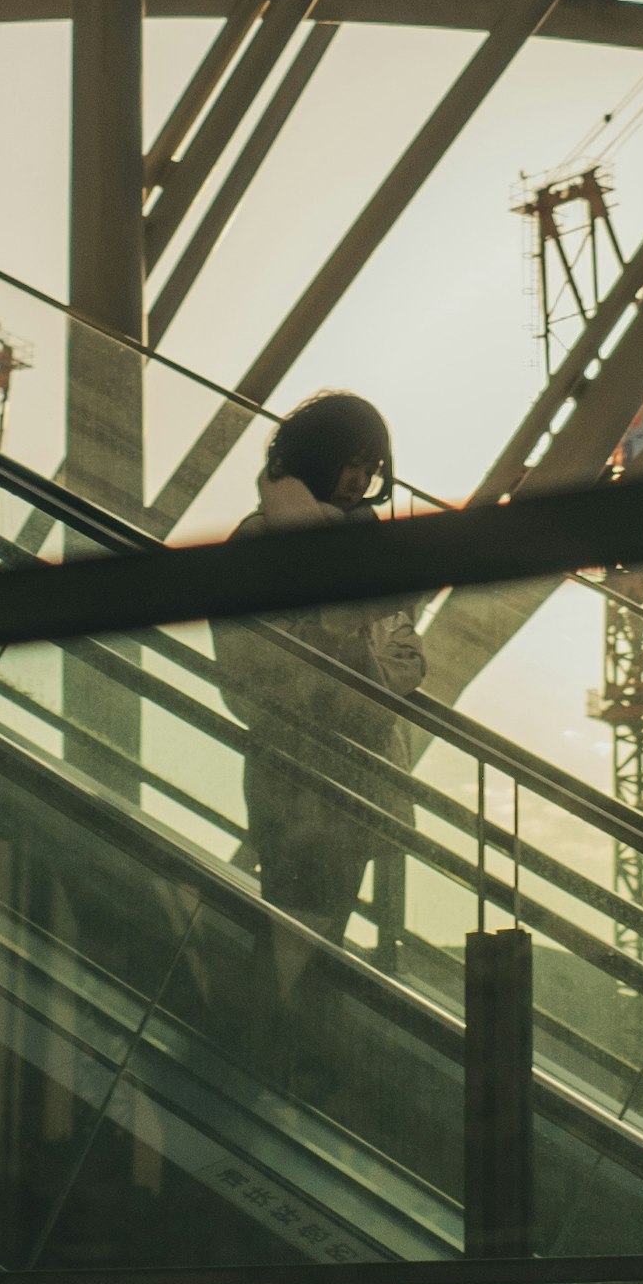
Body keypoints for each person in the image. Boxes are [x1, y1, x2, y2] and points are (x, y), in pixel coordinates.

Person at [211, 391, 427, 952]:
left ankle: (279, 1026)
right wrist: (338, 628)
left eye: (369, 467)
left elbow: (410, 656)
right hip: (297, 782)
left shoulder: (369, 547)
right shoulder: (258, 543)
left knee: (317, 949)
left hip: (362, 784)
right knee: (296, 941)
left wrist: (349, 636)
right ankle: (271, 1032)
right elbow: (250, 673)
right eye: (349, 462)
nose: (358, 479)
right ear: (317, 455)